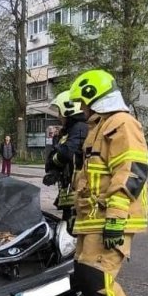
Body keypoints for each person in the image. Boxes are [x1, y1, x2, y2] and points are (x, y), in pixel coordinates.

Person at [63, 69, 148, 296]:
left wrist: (116, 217)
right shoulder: (98, 126)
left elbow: (131, 170)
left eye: (82, 103)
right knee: (83, 278)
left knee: (97, 279)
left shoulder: (122, 123)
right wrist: (74, 207)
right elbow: (90, 177)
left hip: (112, 217)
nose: (80, 110)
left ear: (93, 97)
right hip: (92, 218)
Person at [43, 90, 88, 224]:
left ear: (68, 110)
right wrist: (55, 171)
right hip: (71, 187)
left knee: (70, 228)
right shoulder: (71, 130)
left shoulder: (80, 128)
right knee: (67, 222)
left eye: (60, 112)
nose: (58, 116)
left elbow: (67, 152)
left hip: (78, 189)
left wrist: (53, 162)